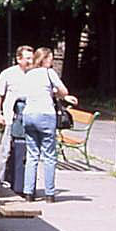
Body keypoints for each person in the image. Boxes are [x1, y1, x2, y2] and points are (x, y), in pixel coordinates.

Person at [20, 47, 78, 202]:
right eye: (51, 58)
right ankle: (49, 194)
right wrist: (59, 94)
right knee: (49, 156)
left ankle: (28, 193)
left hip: (28, 115)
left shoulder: (28, 74)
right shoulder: (48, 73)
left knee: (32, 155)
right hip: (45, 115)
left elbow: (26, 93)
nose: (52, 61)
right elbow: (63, 91)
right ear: (44, 59)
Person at [0, 45, 34, 182]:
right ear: (18, 59)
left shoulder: (35, 74)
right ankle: (1, 181)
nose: (30, 61)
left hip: (30, 119)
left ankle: (21, 183)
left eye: (32, 58)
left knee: (25, 153)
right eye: (27, 58)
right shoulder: (8, 74)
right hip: (11, 118)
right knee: (5, 152)